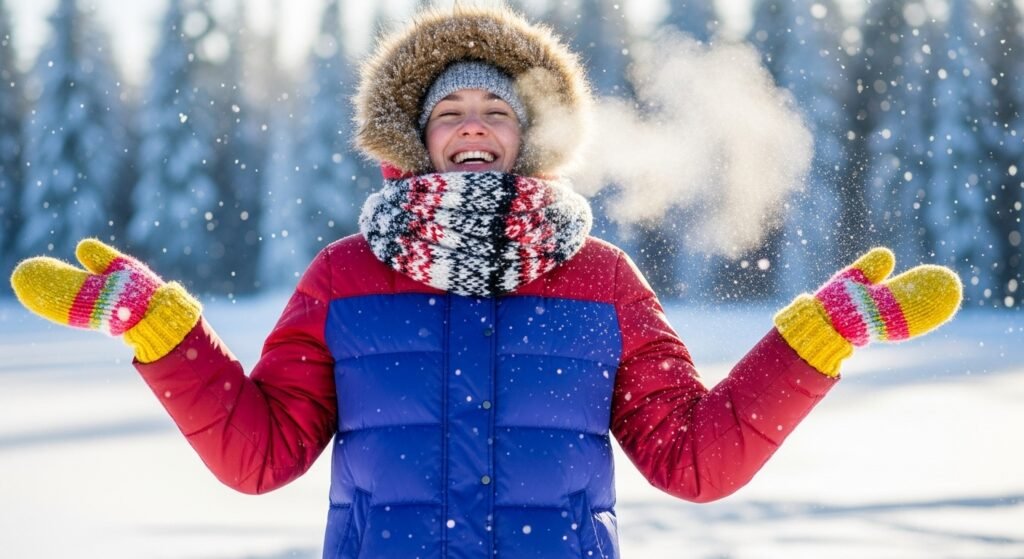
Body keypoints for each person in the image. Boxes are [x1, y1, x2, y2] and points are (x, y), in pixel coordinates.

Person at [9, 6, 962, 559]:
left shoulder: (601, 279)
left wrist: (816, 338)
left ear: (527, 137)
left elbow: (694, 461)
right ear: (418, 138)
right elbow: (259, 456)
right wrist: (160, 327)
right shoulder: (345, 274)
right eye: (450, 111)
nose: (472, 124)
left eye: (495, 111)